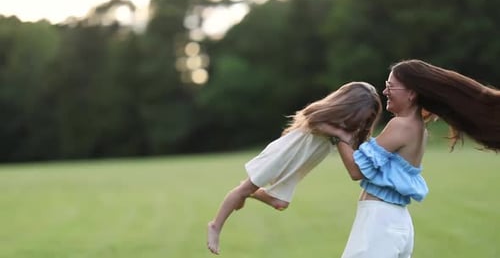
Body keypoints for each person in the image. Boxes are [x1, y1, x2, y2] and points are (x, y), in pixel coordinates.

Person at [318, 59, 500, 258]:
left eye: (390, 86)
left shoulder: (401, 125)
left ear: (411, 93)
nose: (385, 92)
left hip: (379, 223)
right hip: (395, 222)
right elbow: (367, 160)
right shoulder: (417, 127)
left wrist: (336, 133)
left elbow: (356, 170)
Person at [206, 81, 383, 255]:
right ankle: (215, 225)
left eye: (366, 119)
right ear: (350, 105)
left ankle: (249, 192)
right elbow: (310, 117)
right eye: (361, 116)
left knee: (280, 203)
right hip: (282, 155)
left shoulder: (346, 127)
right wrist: (339, 133)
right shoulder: (326, 117)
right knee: (244, 189)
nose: (362, 122)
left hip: (296, 164)